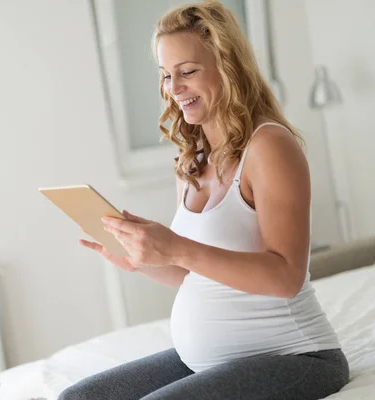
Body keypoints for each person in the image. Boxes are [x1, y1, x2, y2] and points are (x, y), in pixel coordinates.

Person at [59, 1, 350, 399]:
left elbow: (286, 277)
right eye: (166, 75)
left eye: (188, 72)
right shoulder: (192, 160)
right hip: (211, 361)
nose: (173, 89)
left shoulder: (269, 146)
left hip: (296, 356)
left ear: (227, 67)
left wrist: (176, 246)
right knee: (79, 397)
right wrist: (143, 260)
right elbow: (194, 273)